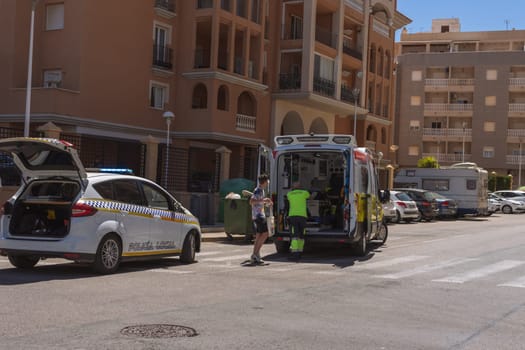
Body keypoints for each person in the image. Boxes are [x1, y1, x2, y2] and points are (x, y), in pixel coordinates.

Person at [249, 174, 273, 265]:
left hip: (258, 215)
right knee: (265, 233)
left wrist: (265, 200)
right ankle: (255, 254)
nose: (268, 183)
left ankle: (256, 254)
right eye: (267, 181)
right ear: (265, 181)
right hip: (259, 216)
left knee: (259, 235)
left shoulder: (261, 190)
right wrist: (263, 201)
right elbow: (251, 202)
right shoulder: (258, 190)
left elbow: (258, 201)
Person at [286, 181, 310, 260]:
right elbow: (309, 195)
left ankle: (295, 253)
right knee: (301, 235)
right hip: (302, 216)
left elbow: (288, 198)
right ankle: (299, 252)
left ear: (293, 187)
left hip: (293, 216)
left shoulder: (289, 194)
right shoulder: (304, 193)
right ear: (301, 187)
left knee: (294, 236)